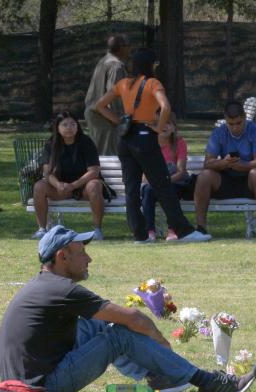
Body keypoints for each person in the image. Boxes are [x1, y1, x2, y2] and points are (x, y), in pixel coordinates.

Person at [0, 225, 254, 392]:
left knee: (96, 326)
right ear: (62, 256)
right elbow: (134, 318)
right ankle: (207, 381)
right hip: (42, 387)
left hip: (23, 382)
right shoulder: (61, 290)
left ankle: (160, 376)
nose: (89, 259)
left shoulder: (44, 284)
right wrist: (162, 343)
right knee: (118, 335)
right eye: (82, 252)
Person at [93, 48, 210, 243]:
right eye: (155, 63)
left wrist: (118, 121)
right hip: (144, 136)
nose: (157, 66)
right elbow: (166, 107)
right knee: (163, 185)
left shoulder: (123, 84)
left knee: (131, 189)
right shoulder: (153, 83)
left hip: (126, 138)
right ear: (150, 64)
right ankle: (184, 232)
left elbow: (99, 106)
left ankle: (140, 235)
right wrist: (158, 128)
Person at [196, 101, 256, 237]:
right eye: (231, 124)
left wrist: (242, 166)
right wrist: (224, 163)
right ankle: (201, 227)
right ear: (225, 120)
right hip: (225, 178)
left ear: (244, 118)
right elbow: (207, 163)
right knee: (204, 176)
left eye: (239, 123)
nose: (235, 128)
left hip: (249, 180)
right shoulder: (218, 132)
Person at [31, 112, 105, 240]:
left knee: (95, 185)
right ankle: (42, 229)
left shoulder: (85, 141)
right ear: (57, 128)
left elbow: (94, 171)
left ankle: (97, 230)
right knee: (39, 186)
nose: (69, 128)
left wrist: (73, 185)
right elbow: (47, 172)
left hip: (83, 188)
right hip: (61, 188)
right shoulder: (51, 143)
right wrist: (58, 184)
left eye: (72, 124)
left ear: (77, 126)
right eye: (64, 125)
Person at [140, 112, 189, 242]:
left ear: (174, 126)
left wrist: (165, 183)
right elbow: (144, 175)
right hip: (153, 184)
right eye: (158, 123)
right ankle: (149, 231)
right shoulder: (148, 144)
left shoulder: (179, 143)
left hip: (175, 182)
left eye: (168, 123)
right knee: (147, 190)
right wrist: (158, 183)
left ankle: (173, 229)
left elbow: (181, 172)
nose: (163, 126)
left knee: (171, 190)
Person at [84, 34, 130, 155]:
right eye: (127, 46)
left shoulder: (104, 61)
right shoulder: (116, 65)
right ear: (121, 47)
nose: (129, 49)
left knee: (98, 155)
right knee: (109, 158)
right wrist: (118, 119)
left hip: (94, 114)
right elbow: (114, 92)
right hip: (105, 117)